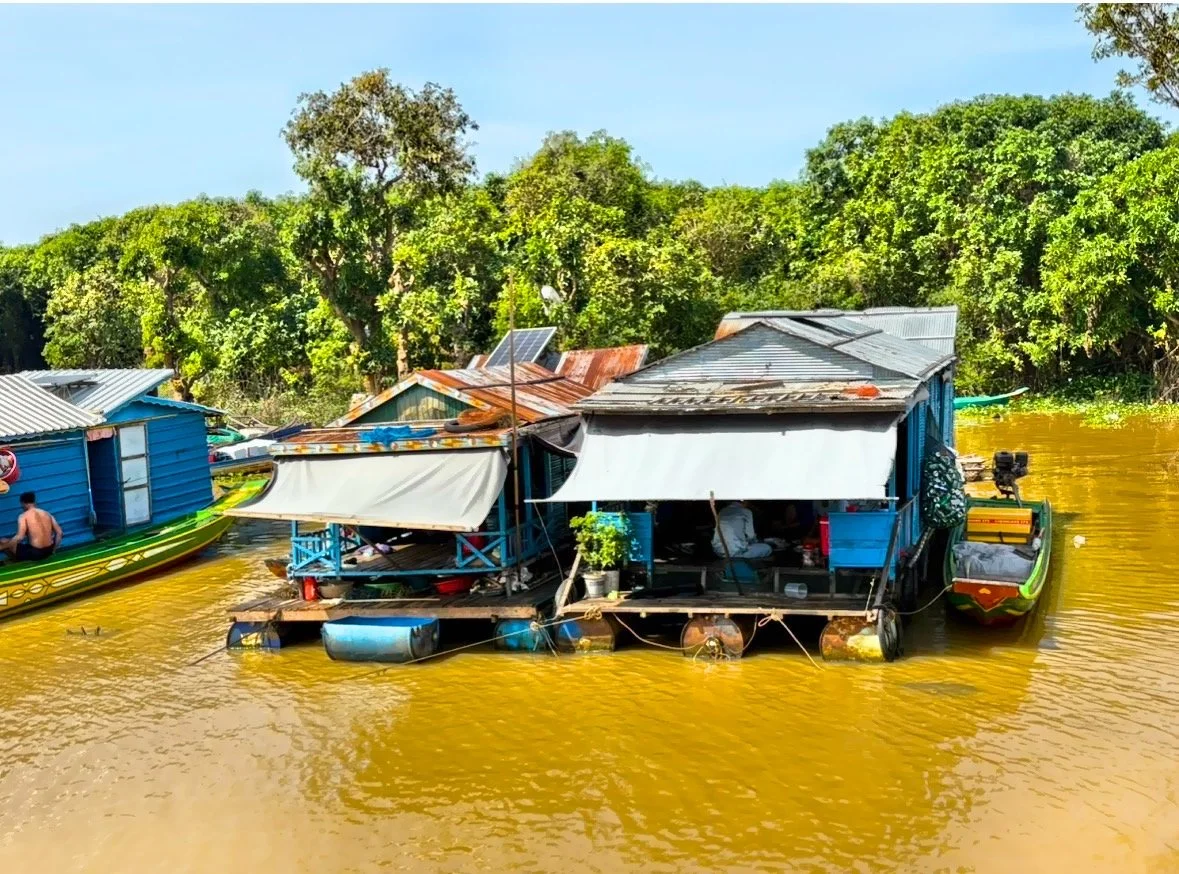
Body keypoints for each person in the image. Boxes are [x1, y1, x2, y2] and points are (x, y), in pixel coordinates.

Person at [0, 492, 63, 563]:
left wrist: (3, 546)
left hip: (35, 554)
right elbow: (59, 533)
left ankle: (16, 561)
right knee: (14, 544)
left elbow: (20, 537)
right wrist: (53, 550)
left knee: (3, 541)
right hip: (48, 551)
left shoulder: (23, 516)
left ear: (23, 503)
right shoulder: (47, 514)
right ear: (34, 501)